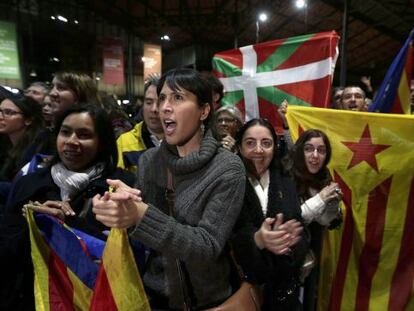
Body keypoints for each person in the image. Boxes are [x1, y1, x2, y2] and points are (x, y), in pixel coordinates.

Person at [92, 68, 246, 310]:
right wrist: (119, 206)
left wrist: (141, 214)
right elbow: (142, 233)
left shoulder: (227, 168)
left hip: (209, 301)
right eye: (162, 98)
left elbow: (207, 247)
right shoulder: (149, 161)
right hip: (154, 296)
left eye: (177, 98)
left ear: (204, 111)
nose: (163, 107)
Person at [0, 103, 135, 310]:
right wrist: (31, 222)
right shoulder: (29, 183)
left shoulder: (120, 186)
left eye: (84, 135)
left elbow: (128, 258)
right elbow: (6, 254)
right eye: (65, 132)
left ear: (102, 142)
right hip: (34, 299)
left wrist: (65, 225)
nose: (71, 141)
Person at [231, 118, 309, 311]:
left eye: (266, 143)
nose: (258, 150)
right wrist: (257, 240)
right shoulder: (227, 183)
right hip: (243, 294)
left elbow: (301, 231)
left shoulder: (286, 180)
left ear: (275, 148)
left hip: (284, 296)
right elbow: (225, 239)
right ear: (239, 148)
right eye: (250, 143)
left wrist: (289, 241)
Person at [286, 129, 342, 311]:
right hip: (287, 262)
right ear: (300, 151)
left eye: (321, 150)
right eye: (309, 149)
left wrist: (333, 204)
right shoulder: (286, 176)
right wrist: (320, 199)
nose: (315, 155)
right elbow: (291, 220)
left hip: (312, 259)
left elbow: (325, 221)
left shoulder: (325, 178)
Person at [0, 93, 45, 203]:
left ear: (28, 120)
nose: (0, 117)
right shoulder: (4, 142)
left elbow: (23, 189)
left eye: (8, 112)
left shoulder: (40, 146)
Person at [116, 75, 164, 172]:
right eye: (149, 102)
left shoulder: (182, 141)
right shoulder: (124, 142)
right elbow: (114, 184)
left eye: (160, 103)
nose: (154, 109)